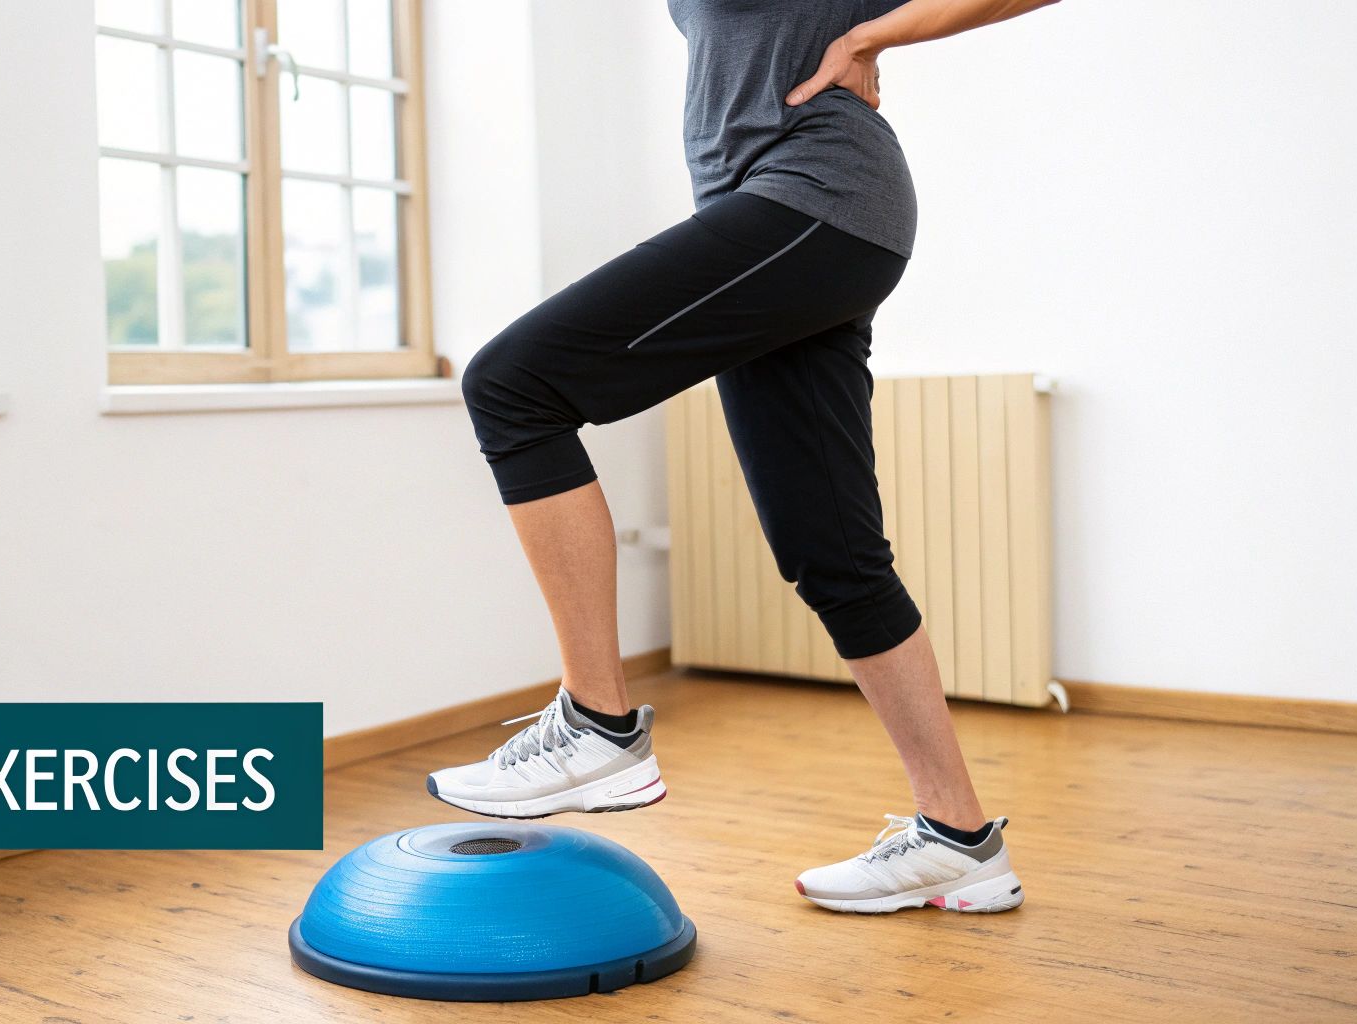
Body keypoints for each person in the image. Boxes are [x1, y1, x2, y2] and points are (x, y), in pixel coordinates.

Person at [426, 0, 1059, 914]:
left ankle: (599, 726)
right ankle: (959, 839)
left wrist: (874, 34)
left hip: (815, 197)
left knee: (513, 387)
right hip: (786, 218)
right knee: (831, 554)